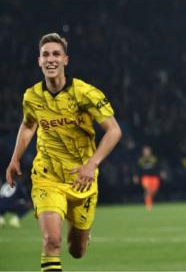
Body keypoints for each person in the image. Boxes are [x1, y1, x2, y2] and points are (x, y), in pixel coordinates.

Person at [4, 33, 122, 271]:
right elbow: (28, 125)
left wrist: (92, 165)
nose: (51, 59)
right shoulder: (32, 96)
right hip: (48, 177)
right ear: (39, 61)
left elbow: (114, 131)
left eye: (56, 54)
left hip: (82, 179)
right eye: (45, 54)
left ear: (65, 60)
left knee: (76, 251)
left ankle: (81, 237)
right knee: (52, 240)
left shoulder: (85, 93)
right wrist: (15, 158)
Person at [134, 145, 161, 211]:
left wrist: (161, 172)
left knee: (154, 191)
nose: (146, 152)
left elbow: (159, 167)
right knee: (147, 190)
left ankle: (149, 201)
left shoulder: (154, 159)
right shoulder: (141, 160)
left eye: (147, 151)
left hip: (154, 178)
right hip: (145, 178)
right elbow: (137, 169)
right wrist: (136, 176)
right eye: (145, 151)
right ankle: (148, 205)